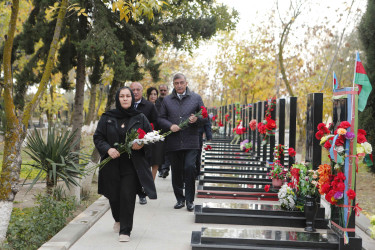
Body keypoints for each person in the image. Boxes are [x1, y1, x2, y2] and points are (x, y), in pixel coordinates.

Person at [93, 87, 157, 242]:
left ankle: (125, 230)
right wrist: (108, 149)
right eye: (122, 96)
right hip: (112, 164)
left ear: (132, 99)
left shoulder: (140, 117)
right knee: (114, 196)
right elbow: (98, 137)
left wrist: (141, 145)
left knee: (127, 195)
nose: (125, 98)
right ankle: (118, 219)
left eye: (128, 96)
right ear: (118, 99)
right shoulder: (107, 117)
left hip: (131, 165)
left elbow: (150, 138)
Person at [158, 73, 208, 212]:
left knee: (189, 168)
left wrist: (197, 119)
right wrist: (169, 125)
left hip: (191, 141)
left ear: (186, 83)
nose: (179, 85)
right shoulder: (167, 100)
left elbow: (205, 117)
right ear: (173, 85)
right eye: (176, 83)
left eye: (181, 82)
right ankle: (180, 199)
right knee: (177, 171)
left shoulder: (196, 98)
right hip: (174, 142)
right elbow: (160, 118)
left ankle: (190, 200)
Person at [130, 82, 158, 205]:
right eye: (133, 90)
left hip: (143, 145)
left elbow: (155, 123)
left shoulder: (149, 106)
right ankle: (130, 193)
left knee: (142, 170)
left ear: (142, 91)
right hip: (128, 144)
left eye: (138, 89)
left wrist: (145, 139)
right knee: (130, 171)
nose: (135, 92)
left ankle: (142, 194)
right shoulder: (125, 104)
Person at [146, 86, 165, 180]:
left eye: (155, 94)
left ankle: (152, 182)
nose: (153, 96)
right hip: (146, 136)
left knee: (156, 160)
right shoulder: (144, 106)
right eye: (151, 94)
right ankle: (146, 182)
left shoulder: (161, 106)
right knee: (147, 160)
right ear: (148, 95)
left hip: (158, 136)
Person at [156, 84, 171, 178]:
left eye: (164, 90)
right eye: (161, 90)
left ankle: (165, 169)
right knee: (159, 151)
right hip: (157, 130)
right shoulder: (156, 102)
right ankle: (160, 169)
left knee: (167, 150)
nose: (163, 92)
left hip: (168, 129)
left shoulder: (170, 101)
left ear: (167, 90)